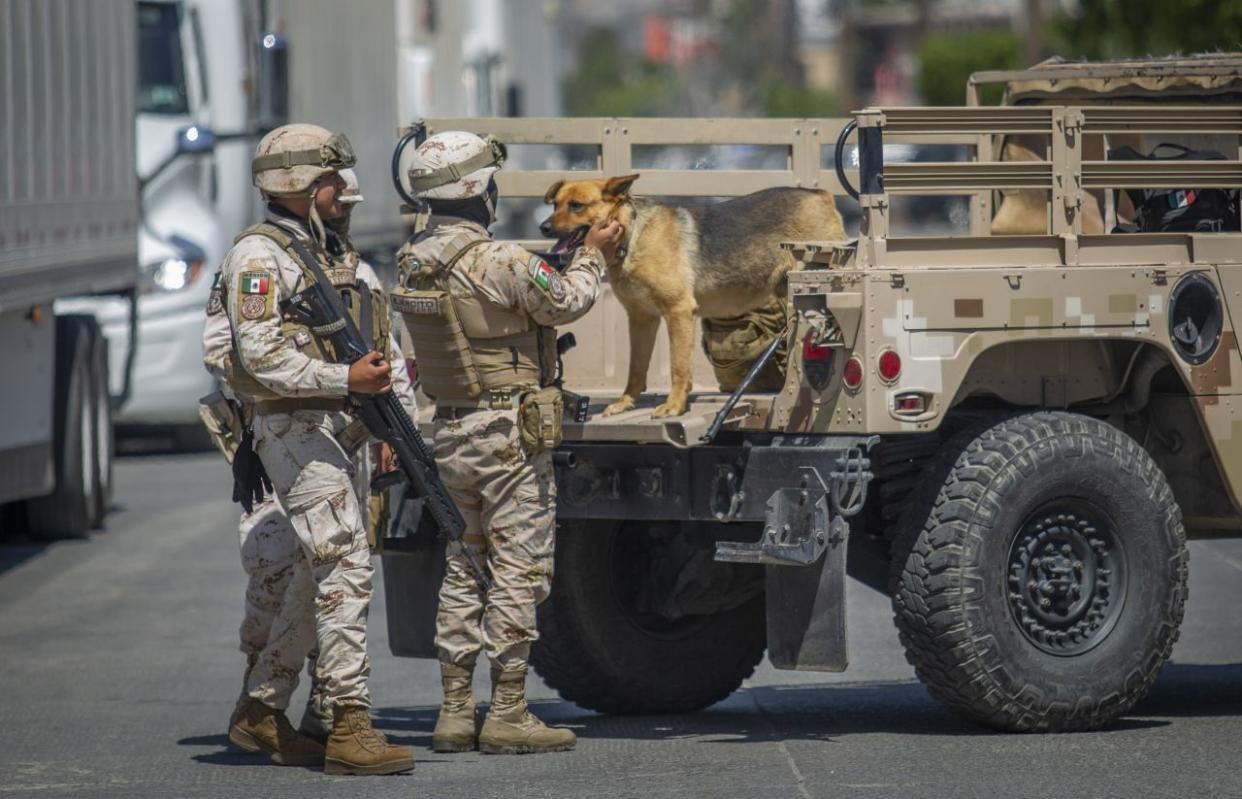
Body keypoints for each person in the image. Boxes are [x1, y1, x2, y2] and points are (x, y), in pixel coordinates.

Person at [395, 131, 621, 755]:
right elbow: (567, 300)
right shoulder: (498, 259)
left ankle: (455, 711)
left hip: (451, 431)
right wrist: (592, 254)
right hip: (506, 439)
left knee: (464, 570)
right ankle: (510, 713)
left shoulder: (413, 257)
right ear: (477, 191)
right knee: (518, 570)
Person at [217, 123, 416, 775]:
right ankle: (348, 726)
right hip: (288, 424)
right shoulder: (259, 256)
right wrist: (343, 379)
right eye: (330, 176)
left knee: (313, 568)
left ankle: (265, 708)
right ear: (298, 181)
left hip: (324, 424)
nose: (340, 188)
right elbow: (261, 354)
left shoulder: (307, 251)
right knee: (344, 562)